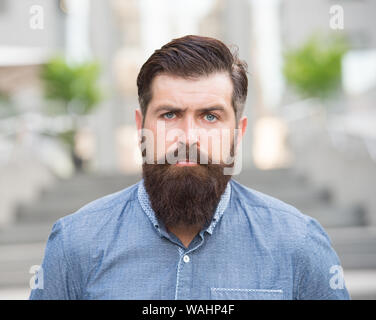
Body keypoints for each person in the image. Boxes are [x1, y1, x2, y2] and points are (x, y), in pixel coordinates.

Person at [29, 35, 350, 300]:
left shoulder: (298, 243)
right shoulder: (74, 243)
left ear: (238, 133)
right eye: (169, 114)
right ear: (141, 127)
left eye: (210, 116)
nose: (189, 137)